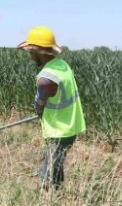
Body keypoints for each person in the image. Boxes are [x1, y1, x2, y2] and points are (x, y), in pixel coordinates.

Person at [16, 26, 85, 191]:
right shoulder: (61, 65)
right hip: (70, 125)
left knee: (47, 174)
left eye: (31, 52)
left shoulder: (46, 79)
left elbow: (39, 107)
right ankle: (59, 196)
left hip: (59, 130)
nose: (30, 56)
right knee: (57, 167)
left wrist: (38, 111)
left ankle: (45, 198)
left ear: (38, 51)